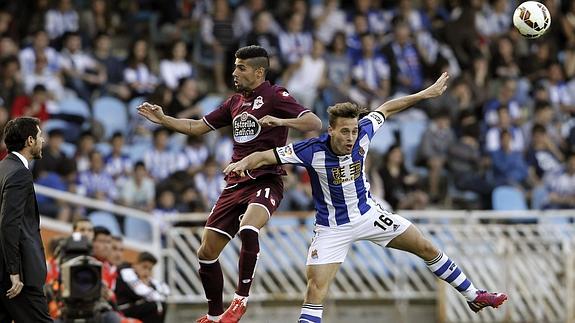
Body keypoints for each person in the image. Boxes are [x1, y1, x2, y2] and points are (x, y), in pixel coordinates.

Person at [224, 73, 508, 322]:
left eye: (354, 130)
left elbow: (387, 107)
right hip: (332, 228)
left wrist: (426, 93)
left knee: (425, 246)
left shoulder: (364, 133)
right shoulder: (310, 150)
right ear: (331, 130)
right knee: (315, 290)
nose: (351, 137)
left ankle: (474, 295)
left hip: (369, 215)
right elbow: (266, 155)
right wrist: (241, 163)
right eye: (345, 131)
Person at [137, 45, 322, 323]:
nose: (234, 72)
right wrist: (163, 120)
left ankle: (240, 300)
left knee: (249, 227)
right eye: (235, 66)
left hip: (266, 179)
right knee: (206, 252)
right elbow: (196, 126)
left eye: (241, 67)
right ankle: (214, 316)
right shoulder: (234, 102)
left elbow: (314, 122)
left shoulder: (275, 95)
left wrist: (282, 120)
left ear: (259, 72)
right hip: (235, 183)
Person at [0, 117, 52, 322]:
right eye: (40, 136)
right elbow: (8, 223)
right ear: (30, 140)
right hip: (18, 276)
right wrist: (14, 271)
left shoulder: (3, 168)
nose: (43, 141)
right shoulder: (19, 174)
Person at [115, 252, 170, 323]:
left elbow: (165, 290)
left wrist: (150, 285)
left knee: (160, 305)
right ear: (135, 264)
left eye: (150, 269)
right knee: (154, 306)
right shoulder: (127, 273)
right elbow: (142, 291)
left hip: (134, 308)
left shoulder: (143, 277)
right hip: (122, 308)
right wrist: (148, 286)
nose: (146, 271)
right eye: (144, 267)